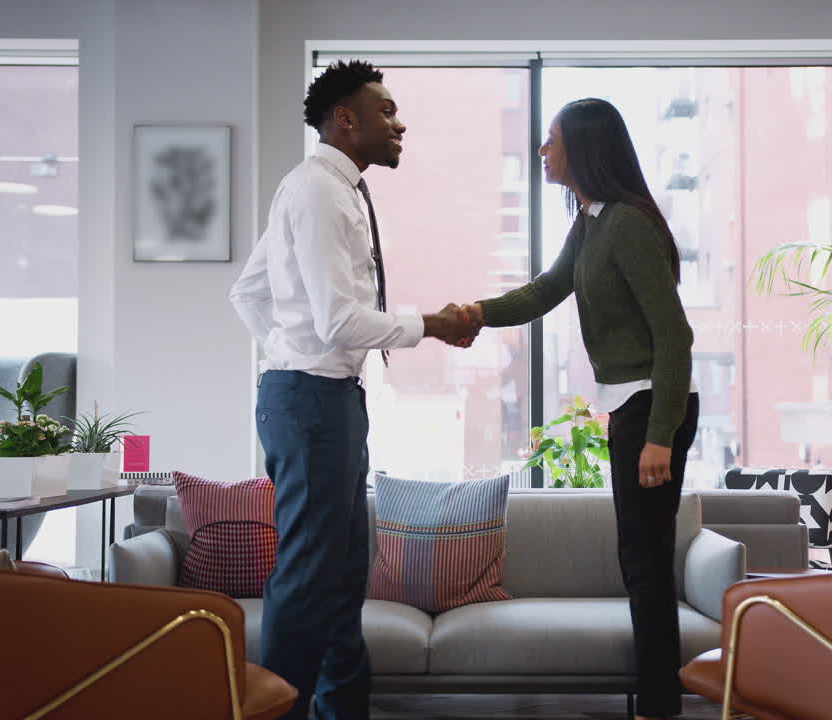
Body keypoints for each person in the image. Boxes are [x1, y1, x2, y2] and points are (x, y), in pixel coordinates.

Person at [229, 60, 476, 720]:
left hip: (324, 398)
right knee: (310, 577)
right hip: (311, 400)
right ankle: (277, 710)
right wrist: (434, 325)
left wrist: (291, 348)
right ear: (347, 119)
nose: (399, 123)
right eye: (386, 111)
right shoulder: (316, 192)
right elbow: (339, 319)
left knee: (341, 576)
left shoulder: (332, 190)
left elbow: (249, 291)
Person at [461, 98, 697, 720]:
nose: (543, 150)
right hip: (630, 407)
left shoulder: (630, 225)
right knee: (638, 561)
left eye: (551, 141)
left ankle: (658, 707)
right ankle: (659, 701)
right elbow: (545, 289)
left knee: (644, 566)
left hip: (653, 407)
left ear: (584, 150)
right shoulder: (592, 222)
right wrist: (475, 314)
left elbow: (675, 338)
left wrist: (660, 437)